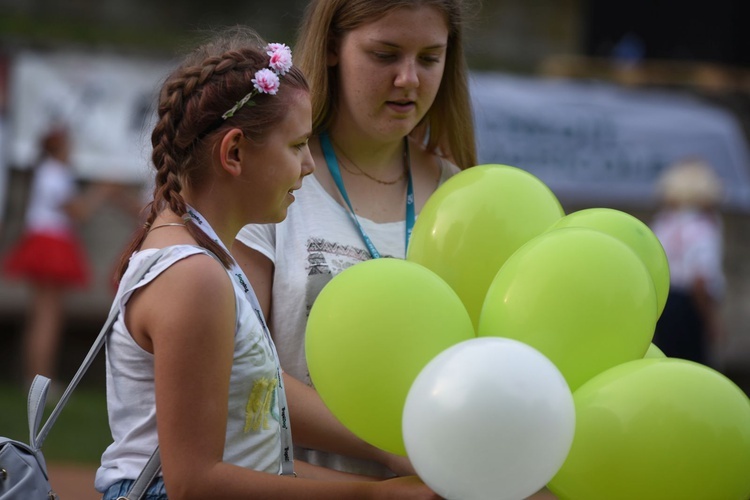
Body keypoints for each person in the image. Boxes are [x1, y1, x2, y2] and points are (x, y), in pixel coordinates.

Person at [95, 27, 439, 500]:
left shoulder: (206, 259)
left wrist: (389, 475)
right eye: (296, 146)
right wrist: (372, 495)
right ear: (234, 152)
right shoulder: (193, 277)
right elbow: (195, 483)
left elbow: (257, 462)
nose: (309, 165)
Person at [233, 0, 477, 477]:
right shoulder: (267, 182)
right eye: (385, 55)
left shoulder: (470, 199)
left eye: (429, 58)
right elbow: (237, 371)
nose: (408, 78)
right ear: (330, 49)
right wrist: (390, 448)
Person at [2, 126, 112, 388]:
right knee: (48, 317)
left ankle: (35, 378)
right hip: (51, 242)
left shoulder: (45, 171)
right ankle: (40, 379)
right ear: (60, 148)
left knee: (42, 315)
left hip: (41, 240)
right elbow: (80, 212)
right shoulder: (56, 173)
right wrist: (103, 191)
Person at [651, 157, 725, 366]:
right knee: (694, 364)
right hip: (690, 305)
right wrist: (712, 320)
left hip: (665, 302)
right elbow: (700, 279)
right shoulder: (703, 226)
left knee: (669, 362)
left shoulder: (663, 221)